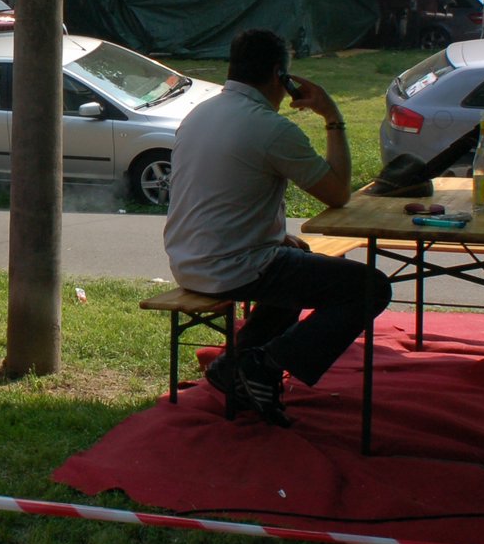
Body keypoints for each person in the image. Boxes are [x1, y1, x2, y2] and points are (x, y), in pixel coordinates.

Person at [164, 29, 391, 426]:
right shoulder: (271, 129)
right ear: (280, 77)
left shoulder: (199, 114)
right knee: (372, 286)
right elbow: (337, 193)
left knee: (295, 256)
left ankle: (235, 363)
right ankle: (265, 362)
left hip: (188, 259)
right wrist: (332, 116)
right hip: (233, 267)